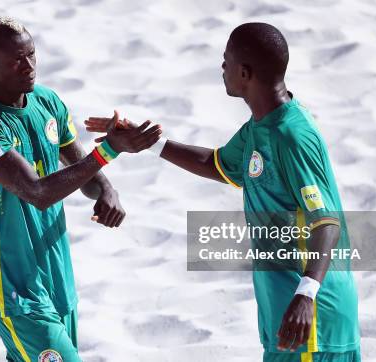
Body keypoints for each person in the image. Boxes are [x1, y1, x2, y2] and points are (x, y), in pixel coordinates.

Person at [86, 22, 360, 362]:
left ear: (244, 72)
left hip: (311, 320)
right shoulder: (260, 127)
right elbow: (216, 164)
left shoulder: (292, 135)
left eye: (226, 60)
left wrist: (306, 294)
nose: (222, 67)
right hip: (292, 317)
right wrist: (147, 142)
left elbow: (327, 223)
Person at [0, 15, 161, 362]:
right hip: (13, 288)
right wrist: (108, 150)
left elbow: (85, 175)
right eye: (17, 59)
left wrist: (107, 190)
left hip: (57, 277)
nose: (29, 66)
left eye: (32, 54)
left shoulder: (47, 103)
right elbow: (37, 193)